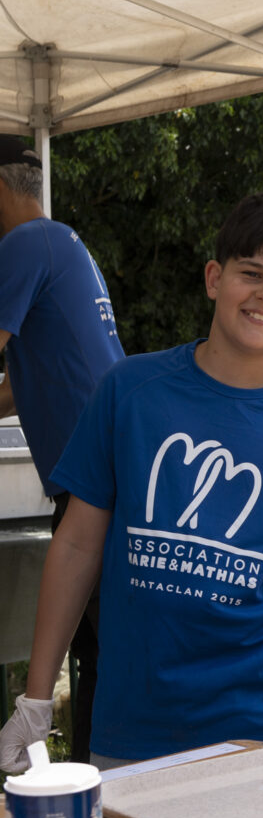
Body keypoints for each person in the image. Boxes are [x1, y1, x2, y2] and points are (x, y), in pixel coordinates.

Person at [0, 192, 263, 771]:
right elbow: (78, 544)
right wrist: (36, 699)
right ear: (214, 278)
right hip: (129, 728)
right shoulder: (128, 390)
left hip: (260, 730)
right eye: (251, 273)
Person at [0, 135, 124, 762]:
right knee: (99, 647)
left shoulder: (22, 243)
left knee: (106, 646)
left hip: (95, 481)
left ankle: (110, 786)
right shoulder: (60, 241)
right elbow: (29, 381)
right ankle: (95, 782)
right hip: (110, 467)